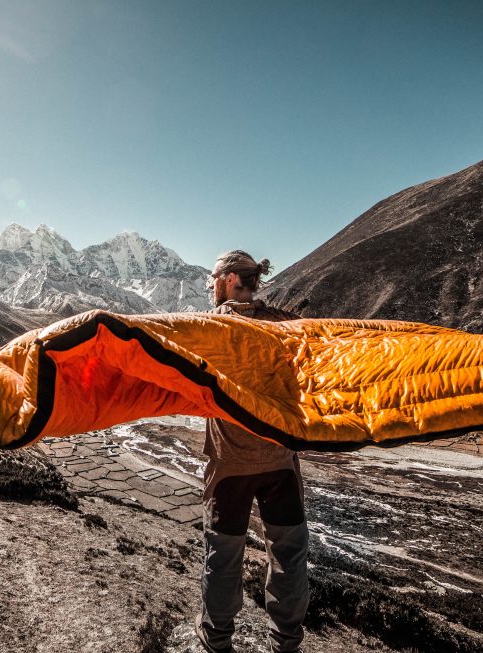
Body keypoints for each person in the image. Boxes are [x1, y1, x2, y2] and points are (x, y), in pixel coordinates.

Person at [195, 250, 308, 653]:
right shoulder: (286, 325)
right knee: (289, 554)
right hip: (281, 462)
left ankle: (217, 640)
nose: (210, 285)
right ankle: (286, 642)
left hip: (230, 466)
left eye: (212, 278)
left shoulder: (210, 327)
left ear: (227, 279)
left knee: (224, 555)